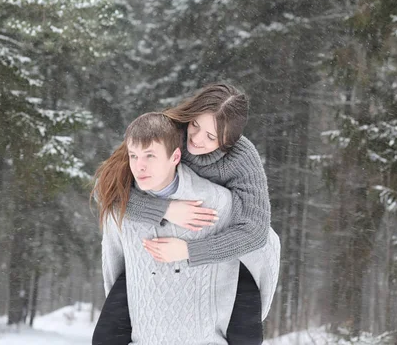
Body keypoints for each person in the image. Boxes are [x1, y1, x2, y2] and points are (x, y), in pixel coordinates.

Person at [92, 84, 278, 345]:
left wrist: (190, 251)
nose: (198, 139)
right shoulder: (167, 132)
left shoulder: (242, 159)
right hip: (154, 236)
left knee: (245, 325)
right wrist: (165, 210)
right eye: (196, 125)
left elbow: (255, 232)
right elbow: (108, 193)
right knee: (107, 332)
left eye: (212, 136)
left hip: (221, 243)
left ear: (229, 141)